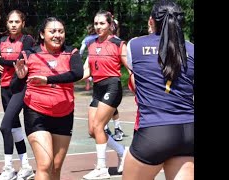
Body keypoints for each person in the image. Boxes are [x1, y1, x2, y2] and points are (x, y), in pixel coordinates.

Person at [123, 0, 194, 179]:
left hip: (155, 132)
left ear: (151, 21)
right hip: (189, 132)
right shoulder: (192, 49)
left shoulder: (134, 45)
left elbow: (135, 80)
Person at [13, 16, 83, 180]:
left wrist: (48, 80)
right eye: (52, 31)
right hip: (37, 114)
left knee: (56, 168)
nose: (57, 35)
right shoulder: (29, 54)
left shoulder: (71, 52)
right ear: (43, 34)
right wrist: (20, 77)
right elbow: (14, 87)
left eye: (61, 31)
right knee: (45, 164)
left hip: (64, 115)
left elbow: (77, 74)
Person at [81, 10, 129, 179]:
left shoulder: (118, 43)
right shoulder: (91, 44)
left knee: (99, 126)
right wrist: (64, 79)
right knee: (92, 130)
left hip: (112, 86)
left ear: (110, 25)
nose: (98, 27)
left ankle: (101, 167)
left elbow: (131, 68)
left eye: (102, 23)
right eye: (96, 23)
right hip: (98, 88)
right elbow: (87, 70)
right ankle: (122, 152)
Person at [0, 10, 35, 180]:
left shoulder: (27, 40)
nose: (14, 24)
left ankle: (8, 168)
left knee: (5, 127)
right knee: (15, 128)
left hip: (21, 87)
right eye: (11, 21)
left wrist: (1, 60)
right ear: (7, 23)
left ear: (23, 23)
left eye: (17, 21)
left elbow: (20, 61)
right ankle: (26, 166)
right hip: (5, 88)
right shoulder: (1, 41)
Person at [79, 24, 98, 91]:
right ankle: (94, 81)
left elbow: (82, 49)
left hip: (90, 56)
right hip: (100, 55)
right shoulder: (99, 37)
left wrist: (80, 56)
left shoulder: (87, 39)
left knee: (86, 69)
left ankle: (88, 80)